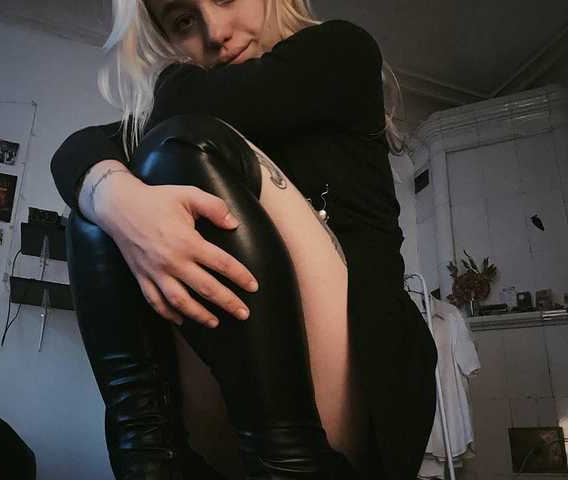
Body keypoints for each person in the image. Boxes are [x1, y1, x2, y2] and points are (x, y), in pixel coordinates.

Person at [50, 1, 438, 479]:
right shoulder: (190, 103)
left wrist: (166, 84)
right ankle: (150, 459)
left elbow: (183, 110)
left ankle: (289, 468)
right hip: (237, 405)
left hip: (372, 379)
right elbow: (75, 152)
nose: (215, 33)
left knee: (179, 151)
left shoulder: (341, 49)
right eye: (184, 21)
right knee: (98, 210)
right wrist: (115, 200)